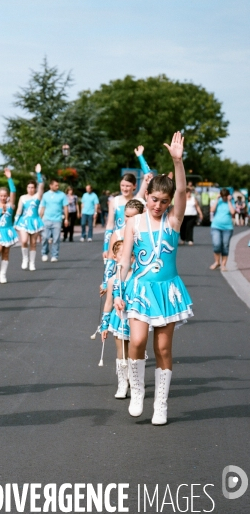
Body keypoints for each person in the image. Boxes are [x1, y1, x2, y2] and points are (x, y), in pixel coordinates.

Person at [115, 132, 193, 426]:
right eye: (154, 199)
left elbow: (183, 191)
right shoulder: (134, 222)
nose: (158, 205)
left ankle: (161, 404)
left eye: (164, 201)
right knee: (136, 342)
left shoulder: (174, 221)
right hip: (139, 289)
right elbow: (124, 262)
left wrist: (177, 161)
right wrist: (119, 292)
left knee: (162, 348)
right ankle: (138, 390)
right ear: (146, 196)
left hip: (167, 291)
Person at [100, 240, 134, 399]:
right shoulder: (113, 280)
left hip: (135, 319)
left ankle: (134, 381)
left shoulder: (138, 278)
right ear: (115, 257)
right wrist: (104, 325)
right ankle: (122, 383)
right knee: (121, 350)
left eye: (132, 255)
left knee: (134, 351)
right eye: (124, 255)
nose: (129, 258)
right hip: (118, 319)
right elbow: (108, 303)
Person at [14, 165, 44, 270]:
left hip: (35, 221)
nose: (30, 189)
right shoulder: (22, 197)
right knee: (23, 241)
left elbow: (41, 186)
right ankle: (25, 258)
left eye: (32, 187)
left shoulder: (37, 196)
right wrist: (15, 221)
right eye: (29, 187)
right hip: (24, 221)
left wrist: (38, 173)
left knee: (33, 243)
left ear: (34, 188)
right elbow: (19, 210)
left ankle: (32, 262)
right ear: (27, 188)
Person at [0, 169, 19, 283]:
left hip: (7, 231)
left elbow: (13, 191)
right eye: (1, 196)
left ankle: (3, 274)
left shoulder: (10, 205)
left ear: (7, 196)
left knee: (6, 252)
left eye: (5, 196)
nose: (3, 198)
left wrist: (9, 178)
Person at [39, 179, 68, 263]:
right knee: (45, 237)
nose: (57, 187)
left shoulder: (62, 195)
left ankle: (54, 255)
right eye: (56, 185)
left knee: (56, 239)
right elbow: (43, 207)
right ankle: (44, 253)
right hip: (46, 219)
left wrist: (66, 219)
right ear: (50, 185)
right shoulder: (45, 195)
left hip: (57, 220)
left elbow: (65, 207)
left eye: (58, 185)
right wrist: (39, 219)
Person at [209, 188, 235, 271]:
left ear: (228, 196)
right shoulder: (218, 202)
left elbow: (233, 212)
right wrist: (217, 199)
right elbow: (212, 210)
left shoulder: (230, 202)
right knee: (216, 244)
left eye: (225, 196)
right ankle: (217, 262)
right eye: (222, 196)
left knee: (225, 245)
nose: (224, 197)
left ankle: (223, 264)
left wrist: (229, 201)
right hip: (216, 226)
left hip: (227, 228)